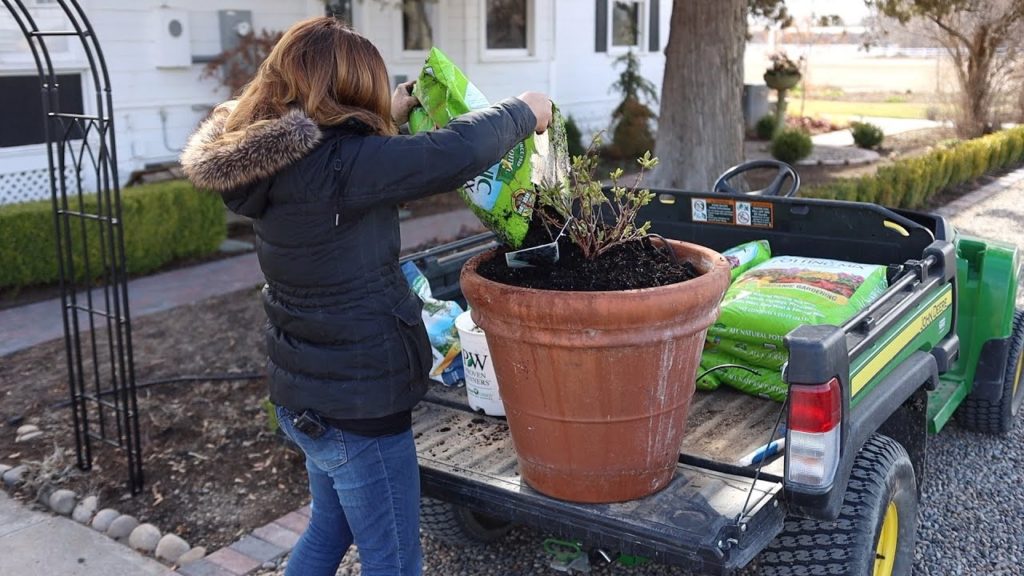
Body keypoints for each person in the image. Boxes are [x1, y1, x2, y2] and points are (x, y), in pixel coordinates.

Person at [180, 16, 551, 576]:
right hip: (358, 408)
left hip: (305, 396)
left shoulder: (277, 161)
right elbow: (451, 152)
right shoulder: (342, 166)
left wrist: (391, 118)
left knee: (329, 530)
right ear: (349, 89)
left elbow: (347, 162)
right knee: (394, 563)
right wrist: (524, 111)